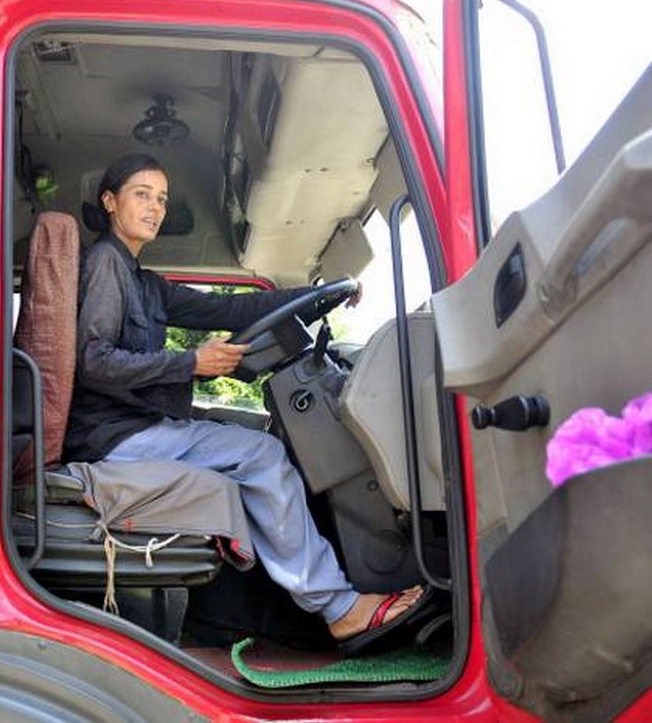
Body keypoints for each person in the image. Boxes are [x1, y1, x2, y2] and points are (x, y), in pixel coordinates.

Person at [64, 153, 428, 653]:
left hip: (135, 423)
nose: (155, 208)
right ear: (110, 201)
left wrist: (319, 295)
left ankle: (305, 598)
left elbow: (228, 306)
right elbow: (94, 362)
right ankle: (338, 608)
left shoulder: (143, 281)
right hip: (113, 436)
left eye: (162, 199)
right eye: (141, 194)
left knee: (252, 440)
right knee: (263, 455)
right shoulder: (105, 264)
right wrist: (190, 363)